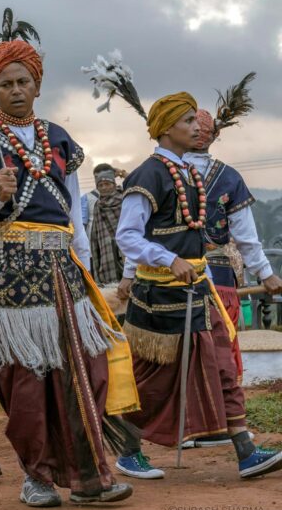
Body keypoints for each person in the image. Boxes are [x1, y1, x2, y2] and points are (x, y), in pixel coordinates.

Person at [0, 39, 137, 506]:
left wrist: (86, 270)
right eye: (5, 84)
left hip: (64, 270)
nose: (15, 90)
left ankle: (90, 477)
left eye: (23, 82)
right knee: (27, 379)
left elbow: (75, 213)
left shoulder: (60, 139)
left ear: (37, 85)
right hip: (11, 277)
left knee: (82, 371)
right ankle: (37, 476)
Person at [114, 92, 282, 480]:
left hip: (198, 290)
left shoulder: (189, 173)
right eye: (188, 120)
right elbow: (128, 237)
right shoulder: (148, 174)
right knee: (153, 380)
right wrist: (168, 259)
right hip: (157, 298)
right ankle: (128, 451)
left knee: (222, 366)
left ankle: (245, 451)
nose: (198, 127)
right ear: (167, 128)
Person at [182, 109, 282, 388]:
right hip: (211, 273)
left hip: (173, 272)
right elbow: (246, 237)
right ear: (215, 136)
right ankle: (223, 411)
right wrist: (266, 274)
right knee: (219, 342)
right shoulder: (229, 177)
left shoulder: (160, 170)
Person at [89, 165, 125, 285]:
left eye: (107, 184)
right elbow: (95, 238)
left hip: (127, 255)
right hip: (107, 258)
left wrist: (122, 173)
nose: (104, 188)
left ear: (114, 184)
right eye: (100, 185)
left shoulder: (125, 199)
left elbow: (139, 183)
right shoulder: (98, 206)